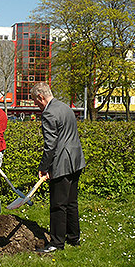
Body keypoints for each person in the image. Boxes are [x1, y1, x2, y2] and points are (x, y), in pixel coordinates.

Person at [30, 82, 86, 253]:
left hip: (62, 164)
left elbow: (50, 146)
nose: (35, 105)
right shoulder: (65, 108)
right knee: (71, 202)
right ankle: (73, 237)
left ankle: (56, 242)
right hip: (76, 161)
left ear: (41, 97)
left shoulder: (48, 114)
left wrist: (43, 167)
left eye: (35, 101)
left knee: (57, 205)